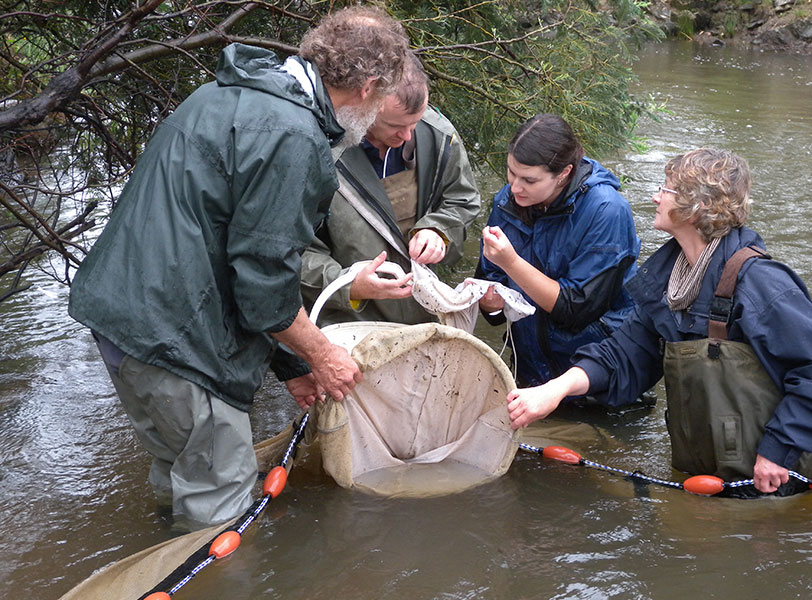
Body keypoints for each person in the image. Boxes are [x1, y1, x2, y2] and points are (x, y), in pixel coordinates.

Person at [67, 7, 409, 529]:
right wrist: (321, 356)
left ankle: (165, 548)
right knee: (221, 502)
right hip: (176, 341)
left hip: (116, 323)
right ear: (366, 87)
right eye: (385, 95)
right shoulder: (295, 137)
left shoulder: (223, 92)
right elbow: (263, 283)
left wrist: (292, 369)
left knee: (180, 470)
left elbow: (235, 259)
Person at [506, 148, 812, 497]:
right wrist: (555, 390)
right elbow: (622, 355)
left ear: (698, 205)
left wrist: (778, 451)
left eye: (667, 189)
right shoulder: (668, 278)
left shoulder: (761, 282)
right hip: (703, 471)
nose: (655, 195)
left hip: (770, 479)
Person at [301, 53, 480, 326]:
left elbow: (462, 200)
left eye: (415, 123)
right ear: (366, 103)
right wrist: (350, 285)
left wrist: (439, 230)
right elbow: (293, 251)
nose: (408, 136)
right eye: (396, 126)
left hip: (422, 313)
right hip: (346, 321)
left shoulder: (437, 135)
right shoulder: (316, 150)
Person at [475, 113, 642, 390]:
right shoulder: (508, 202)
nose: (515, 187)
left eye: (529, 180)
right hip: (531, 376)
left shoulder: (607, 211)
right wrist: (490, 305)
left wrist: (512, 263)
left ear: (564, 174)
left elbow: (575, 309)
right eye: (511, 172)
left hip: (597, 381)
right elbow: (490, 283)